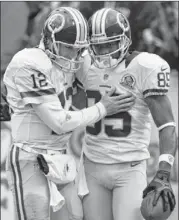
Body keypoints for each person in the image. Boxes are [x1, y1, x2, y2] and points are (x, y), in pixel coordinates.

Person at [3, 7, 135, 220]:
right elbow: (59, 122)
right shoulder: (30, 63)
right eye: (67, 48)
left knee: (74, 215)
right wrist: (103, 108)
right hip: (30, 156)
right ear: (49, 41)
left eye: (79, 49)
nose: (74, 55)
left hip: (60, 156)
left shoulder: (75, 59)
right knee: (36, 215)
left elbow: (104, 80)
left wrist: (135, 66)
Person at [75, 8, 177, 220]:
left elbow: (167, 126)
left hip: (129, 169)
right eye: (99, 45)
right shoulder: (81, 64)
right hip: (92, 166)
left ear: (125, 39)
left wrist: (164, 171)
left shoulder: (144, 66)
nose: (105, 51)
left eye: (111, 43)